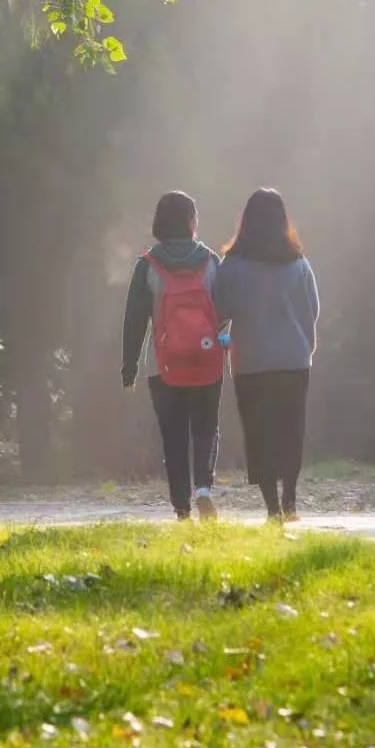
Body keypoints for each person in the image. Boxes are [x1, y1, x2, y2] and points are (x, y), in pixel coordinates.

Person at [213, 188, 319, 521]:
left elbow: (220, 311)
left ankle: (272, 507)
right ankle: (291, 500)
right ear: (283, 220)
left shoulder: (231, 266)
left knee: (259, 434)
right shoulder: (299, 264)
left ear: (246, 221)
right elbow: (312, 309)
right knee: (291, 430)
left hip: (250, 363)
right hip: (294, 360)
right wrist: (305, 343)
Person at [122, 190, 223, 521]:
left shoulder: (147, 265)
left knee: (173, 435)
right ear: (192, 221)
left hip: (162, 365)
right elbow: (224, 309)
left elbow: (134, 320)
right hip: (206, 359)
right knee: (205, 427)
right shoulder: (210, 261)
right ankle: (203, 489)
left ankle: (181, 508)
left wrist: (129, 368)